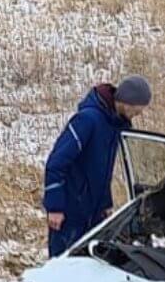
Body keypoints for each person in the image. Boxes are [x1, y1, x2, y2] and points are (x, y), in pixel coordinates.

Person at [42, 76, 152, 257]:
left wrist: (105, 204)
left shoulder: (115, 125)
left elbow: (103, 171)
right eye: (137, 109)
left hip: (93, 213)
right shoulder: (87, 120)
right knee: (62, 266)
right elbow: (56, 163)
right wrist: (55, 207)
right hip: (70, 212)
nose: (138, 114)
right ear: (127, 101)